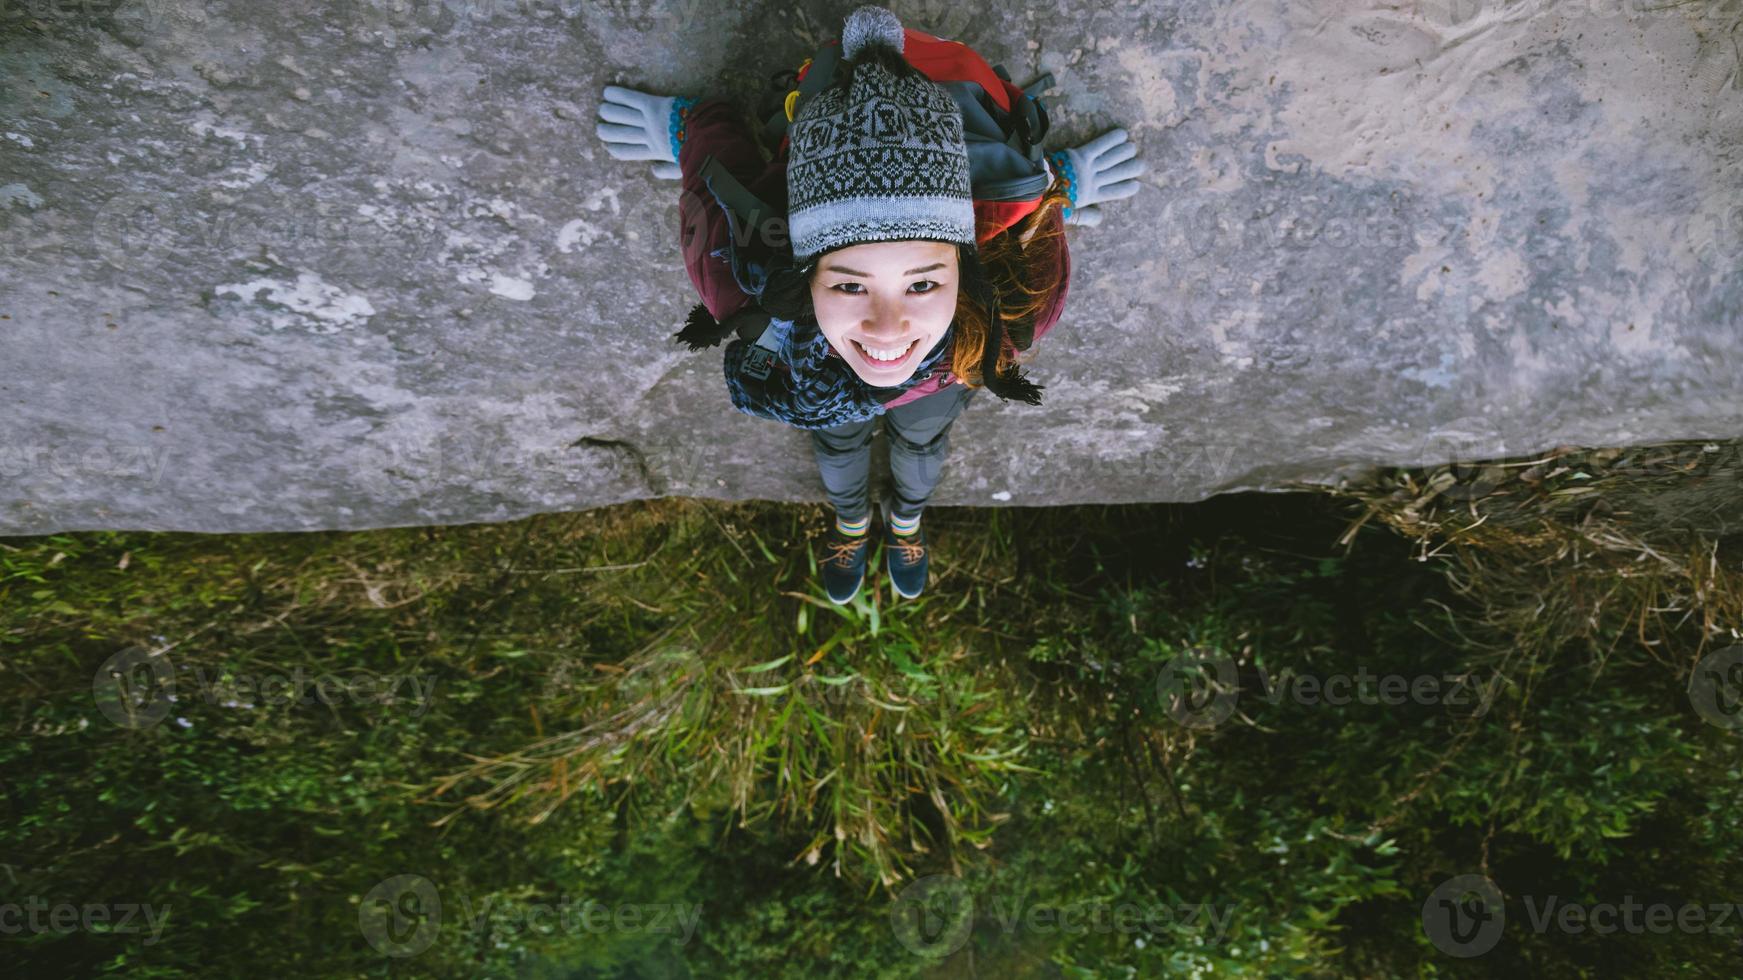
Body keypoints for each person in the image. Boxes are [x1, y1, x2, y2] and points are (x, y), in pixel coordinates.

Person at [596, 4, 1144, 603]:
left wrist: (692, 129)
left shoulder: (1016, 301)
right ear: (802, 273)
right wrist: (1051, 191)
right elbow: (713, 172)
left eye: (923, 283)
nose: (887, 332)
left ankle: (905, 519)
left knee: (914, 443)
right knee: (845, 439)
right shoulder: (1008, 316)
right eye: (850, 284)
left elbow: (715, 173)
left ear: (968, 266)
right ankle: (853, 522)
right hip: (946, 373)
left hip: (924, 382)